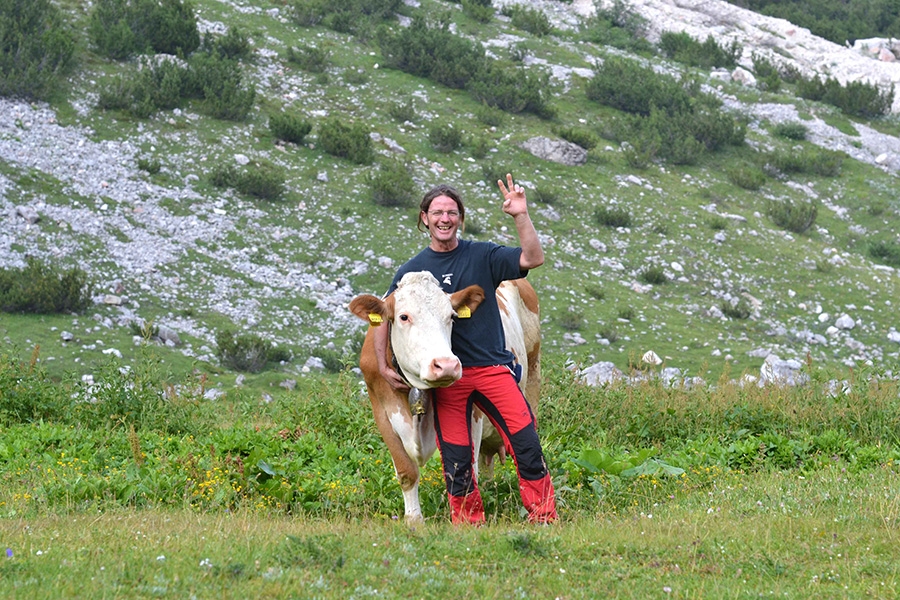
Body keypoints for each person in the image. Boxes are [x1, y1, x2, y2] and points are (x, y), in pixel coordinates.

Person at [373, 174, 558, 525]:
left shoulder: (483, 255)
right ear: (424, 218)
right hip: (448, 380)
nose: (445, 218)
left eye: (452, 212)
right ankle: (468, 525)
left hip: (491, 369)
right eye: (437, 212)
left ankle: (544, 517)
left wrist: (520, 215)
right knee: (457, 459)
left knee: (526, 443)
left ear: (460, 218)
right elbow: (384, 315)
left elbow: (533, 258)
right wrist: (383, 365)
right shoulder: (410, 270)